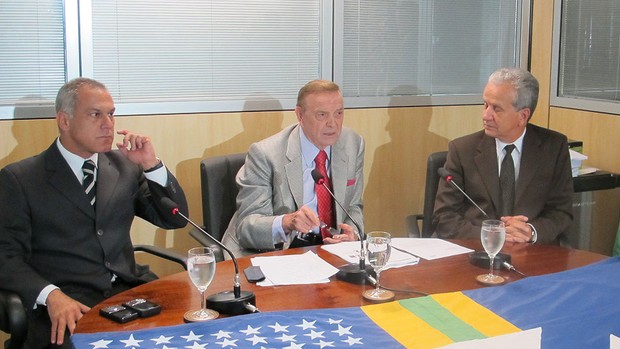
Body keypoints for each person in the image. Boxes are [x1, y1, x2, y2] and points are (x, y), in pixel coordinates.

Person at [0, 78, 188, 348]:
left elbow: (175, 218)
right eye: (95, 114)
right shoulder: (21, 179)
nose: (108, 124)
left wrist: (151, 164)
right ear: (64, 121)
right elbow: (5, 257)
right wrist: (50, 295)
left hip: (129, 294)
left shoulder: (124, 166)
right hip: (68, 303)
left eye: (111, 114)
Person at [221, 80, 365, 257]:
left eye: (339, 113)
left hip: (331, 250)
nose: (333, 123)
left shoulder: (353, 144)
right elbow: (246, 227)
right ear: (300, 115)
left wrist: (353, 235)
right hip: (278, 251)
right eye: (322, 115)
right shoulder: (266, 154)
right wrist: (287, 222)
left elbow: (353, 207)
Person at [432, 68, 573, 244]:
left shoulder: (554, 147)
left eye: (496, 109)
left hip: (532, 253)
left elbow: (561, 212)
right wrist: (495, 235)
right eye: (485, 105)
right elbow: (444, 217)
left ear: (523, 116)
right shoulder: (462, 150)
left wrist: (531, 231)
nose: (486, 115)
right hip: (476, 250)